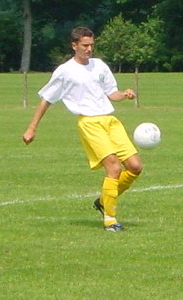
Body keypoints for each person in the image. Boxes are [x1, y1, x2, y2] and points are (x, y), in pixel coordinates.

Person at [22, 26, 143, 232]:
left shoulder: (99, 65)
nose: (89, 49)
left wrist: (125, 94)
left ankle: (104, 200)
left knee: (135, 166)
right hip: (89, 123)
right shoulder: (65, 71)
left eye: (91, 45)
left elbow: (111, 93)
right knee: (114, 168)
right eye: (85, 46)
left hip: (110, 121)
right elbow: (46, 100)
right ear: (74, 45)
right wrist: (31, 128)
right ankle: (110, 220)